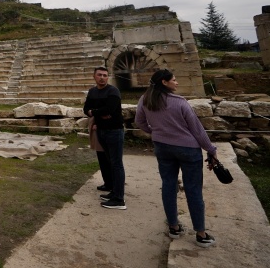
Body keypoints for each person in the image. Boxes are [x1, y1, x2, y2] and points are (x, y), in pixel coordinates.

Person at [135, 69, 217, 247]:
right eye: (174, 79)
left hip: (162, 147)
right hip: (187, 149)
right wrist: (210, 149)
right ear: (164, 82)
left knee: (168, 185)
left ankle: (173, 227)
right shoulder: (180, 102)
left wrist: (156, 132)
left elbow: (139, 121)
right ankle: (201, 234)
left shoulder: (145, 99)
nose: (177, 82)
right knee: (193, 189)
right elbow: (197, 129)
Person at [83, 66, 126, 209]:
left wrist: (94, 112)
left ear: (108, 77)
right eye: (100, 75)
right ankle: (113, 191)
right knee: (109, 162)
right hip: (101, 130)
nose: (102, 77)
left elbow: (110, 109)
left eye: (105, 75)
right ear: (94, 76)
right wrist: (99, 113)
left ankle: (119, 199)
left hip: (114, 131)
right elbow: (85, 109)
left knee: (116, 164)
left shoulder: (113, 91)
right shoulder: (92, 91)